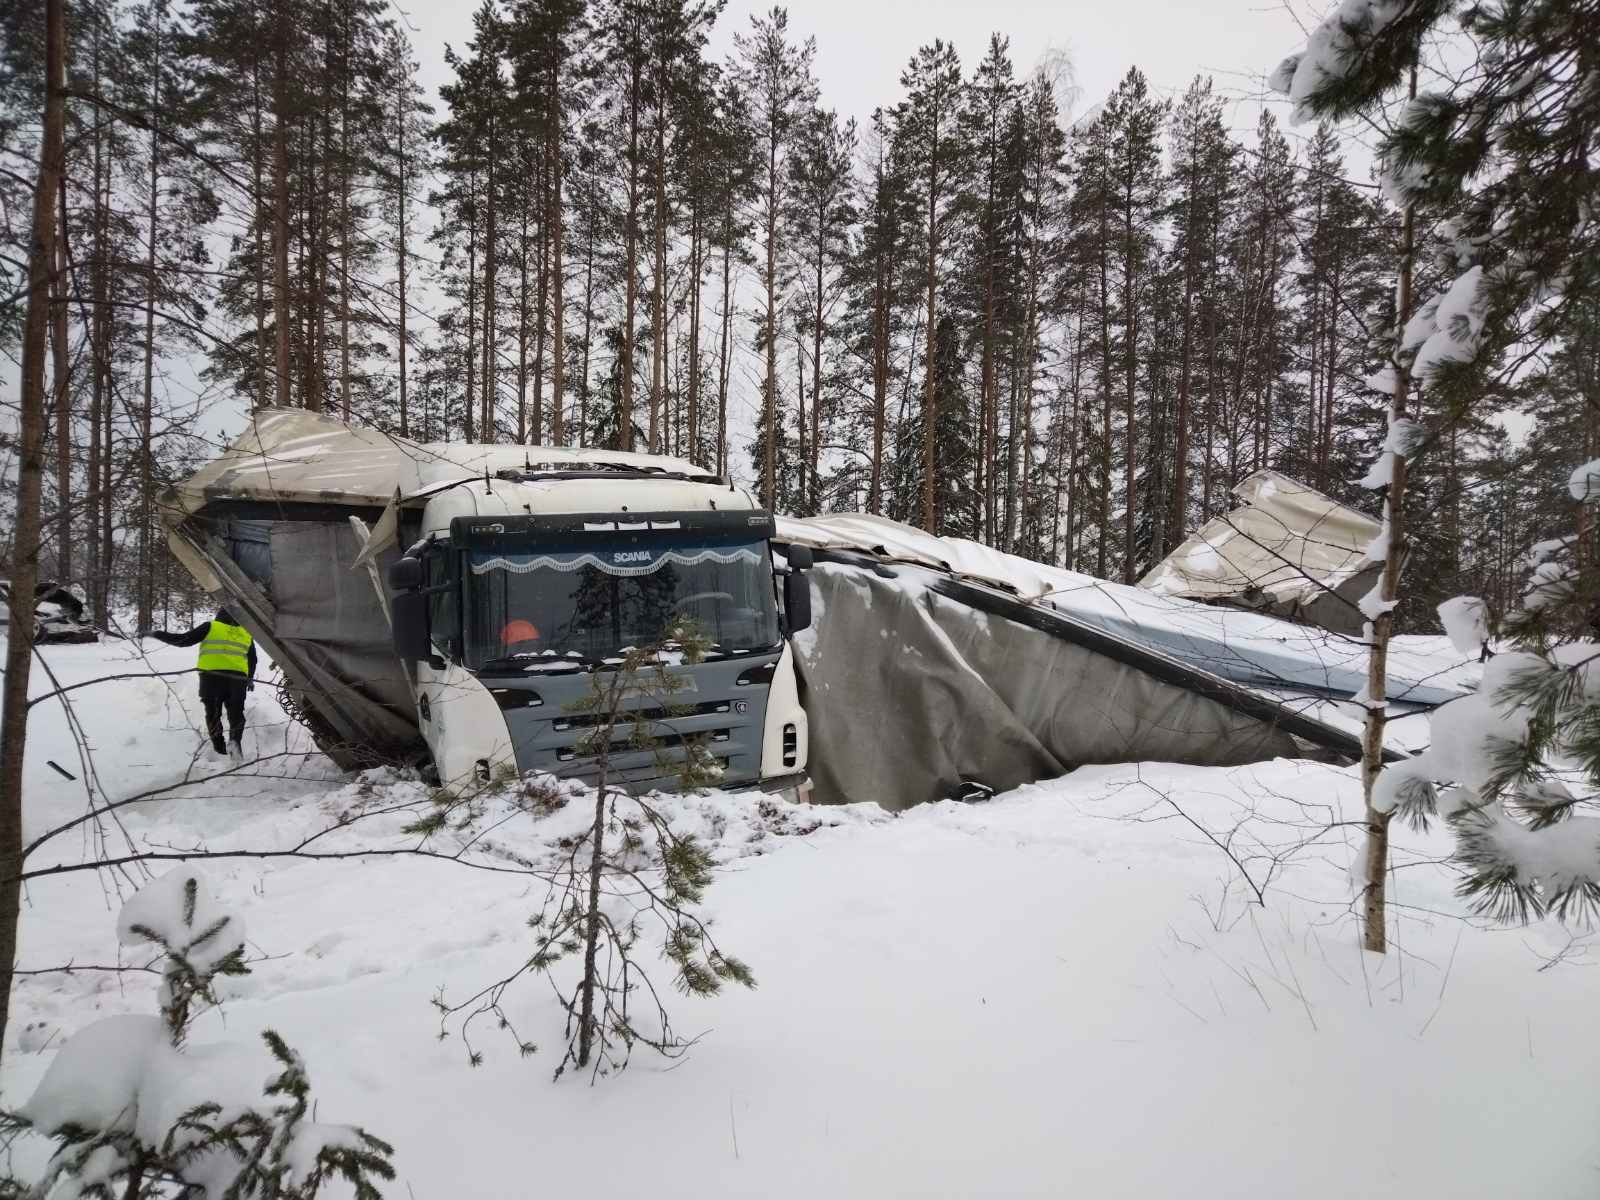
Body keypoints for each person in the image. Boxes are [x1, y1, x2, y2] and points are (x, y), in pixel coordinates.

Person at [144, 607, 257, 762]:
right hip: (237, 680)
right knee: (236, 713)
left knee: (213, 713)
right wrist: (249, 678)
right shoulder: (246, 634)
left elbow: (183, 640)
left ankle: (219, 747)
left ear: (219, 616)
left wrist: (157, 634)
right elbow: (253, 659)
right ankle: (235, 742)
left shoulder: (211, 626)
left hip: (211, 678)